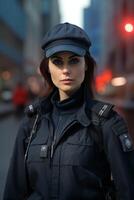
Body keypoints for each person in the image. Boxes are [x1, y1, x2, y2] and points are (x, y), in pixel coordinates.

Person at [3, 22, 134, 200]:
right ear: (47, 68)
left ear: (86, 65)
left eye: (73, 60)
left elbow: (127, 191)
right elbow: (14, 191)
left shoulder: (107, 123)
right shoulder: (31, 123)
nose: (65, 70)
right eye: (57, 62)